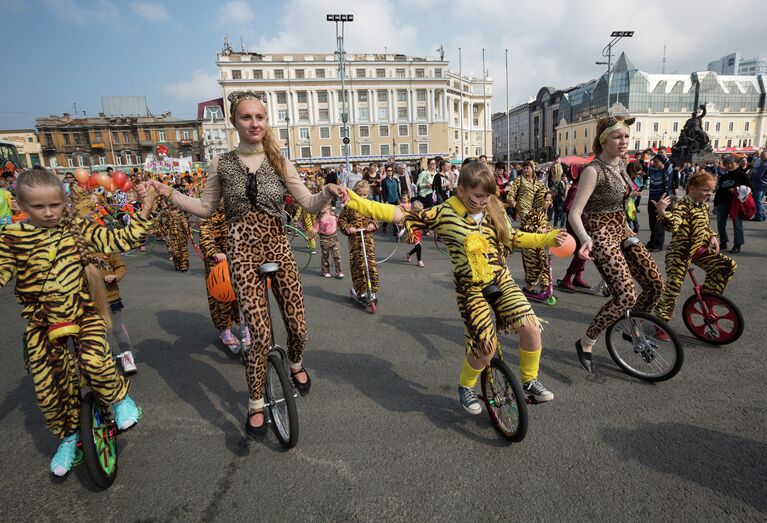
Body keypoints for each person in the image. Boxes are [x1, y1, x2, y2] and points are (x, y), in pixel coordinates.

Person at [147, 91, 347, 439]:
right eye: (246, 117)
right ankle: (256, 402)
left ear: (266, 121)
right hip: (241, 252)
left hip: (278, 246)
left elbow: (308, 203)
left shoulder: (279, 160)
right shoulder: (222, 163)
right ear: (234, 122)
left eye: (260, 117)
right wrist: (169, 194)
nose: (254, 123)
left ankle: (296, 363)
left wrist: (327, 191)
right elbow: (206, 208)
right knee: (258, 336)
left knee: (298, 327)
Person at [343, 161, 569, 409]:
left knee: (531, 328)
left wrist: (549, 238)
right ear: (461, 190)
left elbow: (513, 237)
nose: (484, 202)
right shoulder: (445, 213)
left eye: (488, 196)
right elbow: (399, 214)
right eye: (478, 196)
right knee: (485, 348)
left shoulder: (494, 208)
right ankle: (466, 386)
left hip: (500, 279)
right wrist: (354, 200)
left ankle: (530, 380)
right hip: (470, 288)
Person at [1, 167, 154, 477]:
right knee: (51, 390)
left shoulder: (78, 229)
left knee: (95, 361)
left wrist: (146, 209)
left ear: (63, 201)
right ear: (20, 205)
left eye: (54, 205)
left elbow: (120, 238)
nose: (47, 213)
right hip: (43, 324)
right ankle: (69, 439)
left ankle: (120, 397)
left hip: (84, 315)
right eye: (38, 207)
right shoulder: (12, 238)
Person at [567, 116, 665, 373]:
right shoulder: (593, 170)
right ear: (603, 140)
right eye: (617, 136)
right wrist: (586, 238)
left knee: (655, 284)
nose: (624, 142)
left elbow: (623, 200)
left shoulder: (621, 163)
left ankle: (632, 328)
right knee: (625, 295)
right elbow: (575, 213)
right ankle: (586, 341)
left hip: (622, 229)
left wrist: (630, 223)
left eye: (626, 137)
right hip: (600, 234)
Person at [651, 171, 736, 328]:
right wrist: (663, 212)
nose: (708, 194)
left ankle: (709, 297)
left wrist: (712, 236)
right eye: (705, 190)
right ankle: (660, 323)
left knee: (727, 265)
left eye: (711, 190)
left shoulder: (703, 205)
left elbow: (705, 226)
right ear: (692, 187)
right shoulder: (681, 205)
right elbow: (674, 225)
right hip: (680, 253)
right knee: (673, 288)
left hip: (697, 249)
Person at [199, 203, 248, 353]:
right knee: (222, 298)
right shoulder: (206, 211)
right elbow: (205, 235)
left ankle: (247, 327)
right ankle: (225, 330)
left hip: (238, 258)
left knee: (244, 294)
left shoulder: (237, 207)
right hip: (217, 262)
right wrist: (213, 251)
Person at [94, 251, 138, 374]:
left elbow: (120, 266)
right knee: (95, 331)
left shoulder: (107, 247)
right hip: (88, 299)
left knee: (117, 328)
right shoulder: (75, 248)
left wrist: (115, 276)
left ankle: (127, 356)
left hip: (110, 296)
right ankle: (101, 360)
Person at [338, 180, 379, 303]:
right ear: (355, 193)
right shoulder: (349, 206)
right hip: (355, 241)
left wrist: (372, 224)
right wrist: (348, 228)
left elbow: (376, 218)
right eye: (360, 194)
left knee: (370, 265)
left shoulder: (370, 205)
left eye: (365, 195)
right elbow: (341, 221)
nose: (362, 197)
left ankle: (373, 291)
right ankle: (361, 291)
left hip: (367, 240)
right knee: (358, 265)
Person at [714, 156, 751, 254]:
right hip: (722, 202)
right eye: (727, 164)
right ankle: (723, 241)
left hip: (736, 203)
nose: (729, 165)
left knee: (737, 224)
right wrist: (715, 204)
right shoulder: (723, 176)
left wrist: (737, 190)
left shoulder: (742, 175)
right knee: (720, 224)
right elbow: (719, 191)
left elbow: (750, 189)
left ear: (736, 164)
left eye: (731, 163)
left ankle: (737, 244)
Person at [521, 191, 553, 293]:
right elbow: (524, 227)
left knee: (544, 267)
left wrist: (552, 230)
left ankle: (544, 290)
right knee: (534, 269)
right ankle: (527, 289)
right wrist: (537, 229)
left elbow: (545, 226)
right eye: (546, 200)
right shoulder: (532, 212)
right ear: (540, 200)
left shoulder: (544, 212)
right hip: (529, 245)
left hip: (539, 245)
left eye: (550, 200)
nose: (548, 202)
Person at [646, 154, 674, 251]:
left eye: (657, 161)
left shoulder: (667, 171)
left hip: (661, 201)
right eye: (654, 161)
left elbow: (668, 164)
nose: (654, 163)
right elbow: (642, 167)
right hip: (652, 200)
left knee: (659, 224)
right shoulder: (653, 171)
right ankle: (652, 241)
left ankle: (658, 245)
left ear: (662, 162)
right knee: (652, 223)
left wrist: (658, 154)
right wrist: (645, 154)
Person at [316, 201, 344, 279]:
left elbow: (338, 224)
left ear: (329, 206)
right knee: (325, 256)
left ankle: (339, 271)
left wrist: (338, 218)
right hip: (324, 239)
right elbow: (315, 227)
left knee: (337, 256)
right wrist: (311, 235)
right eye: (320, 207)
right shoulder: (319, 216)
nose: (322, 208)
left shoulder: (333, 214)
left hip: (334, 237)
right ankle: (325, 271)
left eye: (324, 206)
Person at [403, 199, 425, 267]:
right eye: (417, 211)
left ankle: (409, 254)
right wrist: (401, 231)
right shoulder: (410, 216)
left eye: (420, 211)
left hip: (419, 231)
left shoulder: (421, 214)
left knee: (418, 246)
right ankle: (419, 261)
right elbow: (406, 224)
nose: (419, 212)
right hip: (413, 232)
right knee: (419, 247)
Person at [380, 164, 401, 234]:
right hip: (389, 200)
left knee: (395, 216)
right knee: (388, 216)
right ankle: (384, 225)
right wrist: (386, 200)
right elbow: (383, 192)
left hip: (396, 199)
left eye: (391, 170)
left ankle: (396, 231)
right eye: (388, 171)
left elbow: (398, 190)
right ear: (386, 171)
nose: (390, 172)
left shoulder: (395, 180)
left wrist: (399, 198)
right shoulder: (384, 181)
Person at [748, 150, 767, 221]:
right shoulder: (763, 164)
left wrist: (751, 175)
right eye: (761, 155)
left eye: (763, 155)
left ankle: (759, 216)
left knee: (757, 201)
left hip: (759, 184)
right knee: (758, 200)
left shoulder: (764, 165)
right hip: (763, 184)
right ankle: (763, 215)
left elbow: (758, 175)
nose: (761, 156)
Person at [548, 161, 568, 228]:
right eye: (552, 167)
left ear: (557, 168)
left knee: (562, 211)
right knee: (556, 211)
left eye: (554, 167)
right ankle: (555, 225)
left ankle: (562, 226)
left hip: (561, 196)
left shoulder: (562, 175)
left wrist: (565, 193)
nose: (552, 169)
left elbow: (567, 184)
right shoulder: (553, 176)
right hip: (555, 196)